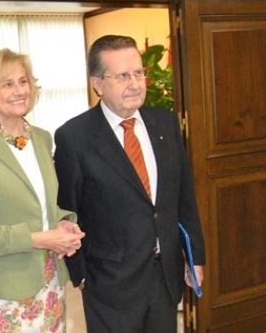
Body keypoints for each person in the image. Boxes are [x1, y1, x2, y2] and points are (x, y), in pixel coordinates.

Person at [54, 35, 206, 332]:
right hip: (109, 284)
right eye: (122, 76)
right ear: (97, 83)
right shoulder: (75, 137)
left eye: (138, 73)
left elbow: (184, 197)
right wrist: (81, 274)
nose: (135, 84)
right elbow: (66, 212)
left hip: (165, 276)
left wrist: (194, 256)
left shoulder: (166, 123)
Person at [0, 48, 85, 332]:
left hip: (49, 284)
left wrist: (63, 222)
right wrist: (41, 238)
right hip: (1, 293)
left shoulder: (42, 139)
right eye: (7, 83)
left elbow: (44, 204)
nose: (19, 90)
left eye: (23, 81)